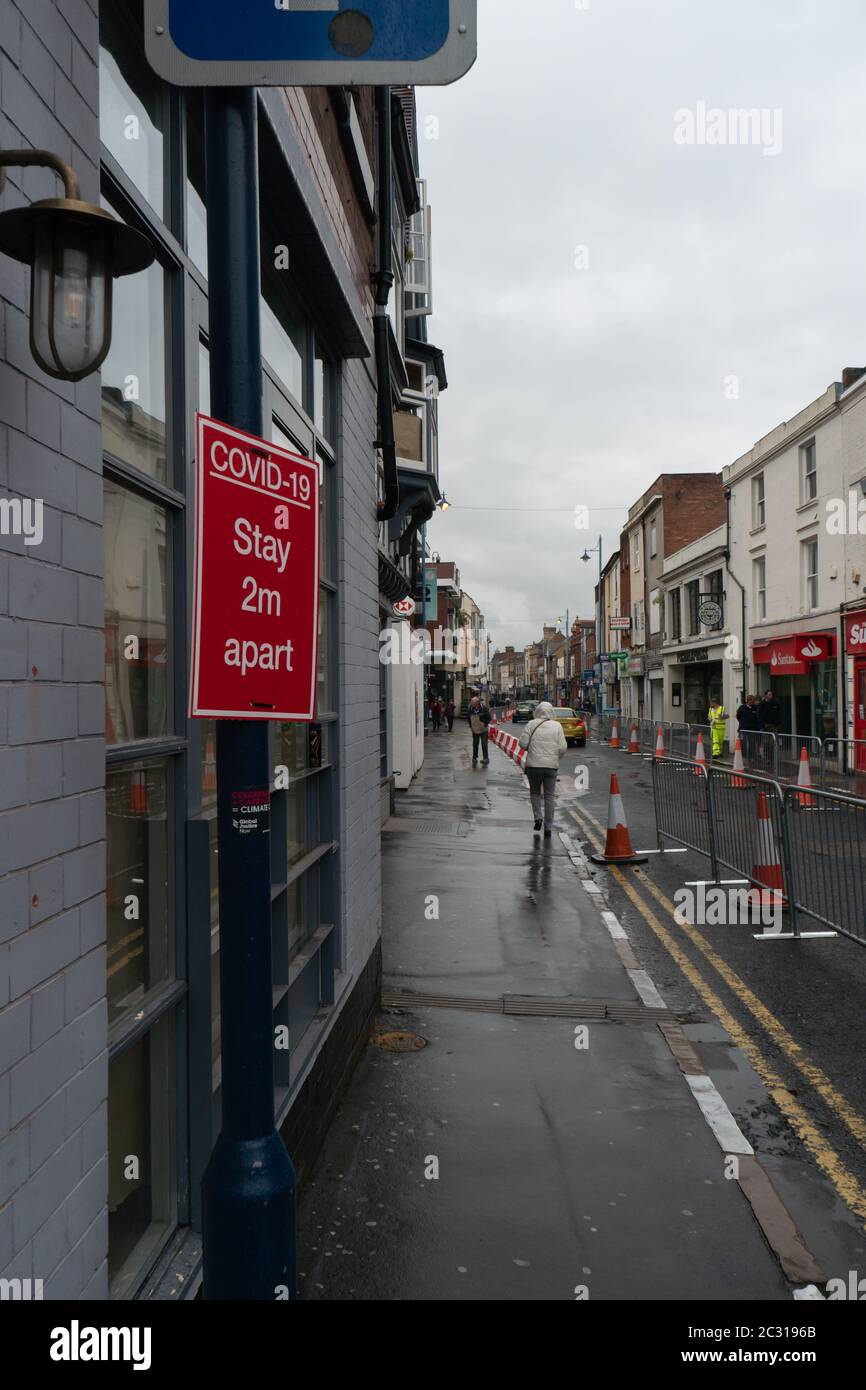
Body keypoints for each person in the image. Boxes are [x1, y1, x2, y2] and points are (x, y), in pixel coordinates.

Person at [518, 700, 568, 836]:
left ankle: (538, 818)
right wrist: (555, 757)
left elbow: (522, 744)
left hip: (534, 765)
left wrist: (531, 748)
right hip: (551, 766)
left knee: (535, 793)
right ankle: (548, 827)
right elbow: (563, 747)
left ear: (537, 711)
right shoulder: (557, 726)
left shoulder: (531, 724)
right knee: (549, 796)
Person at [467, 695, 491, 765]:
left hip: (483, 730)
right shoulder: (469, 708)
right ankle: (474, 758)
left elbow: (489, 718)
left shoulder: (484, 708)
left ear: (477, 703)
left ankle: (485, 758)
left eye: (472, 703)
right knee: (475, 744)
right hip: (475, 729)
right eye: (471, 702)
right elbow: (468, 718)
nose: (471, 704)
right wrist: (471, 726)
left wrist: (484, 724)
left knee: (484, 744)